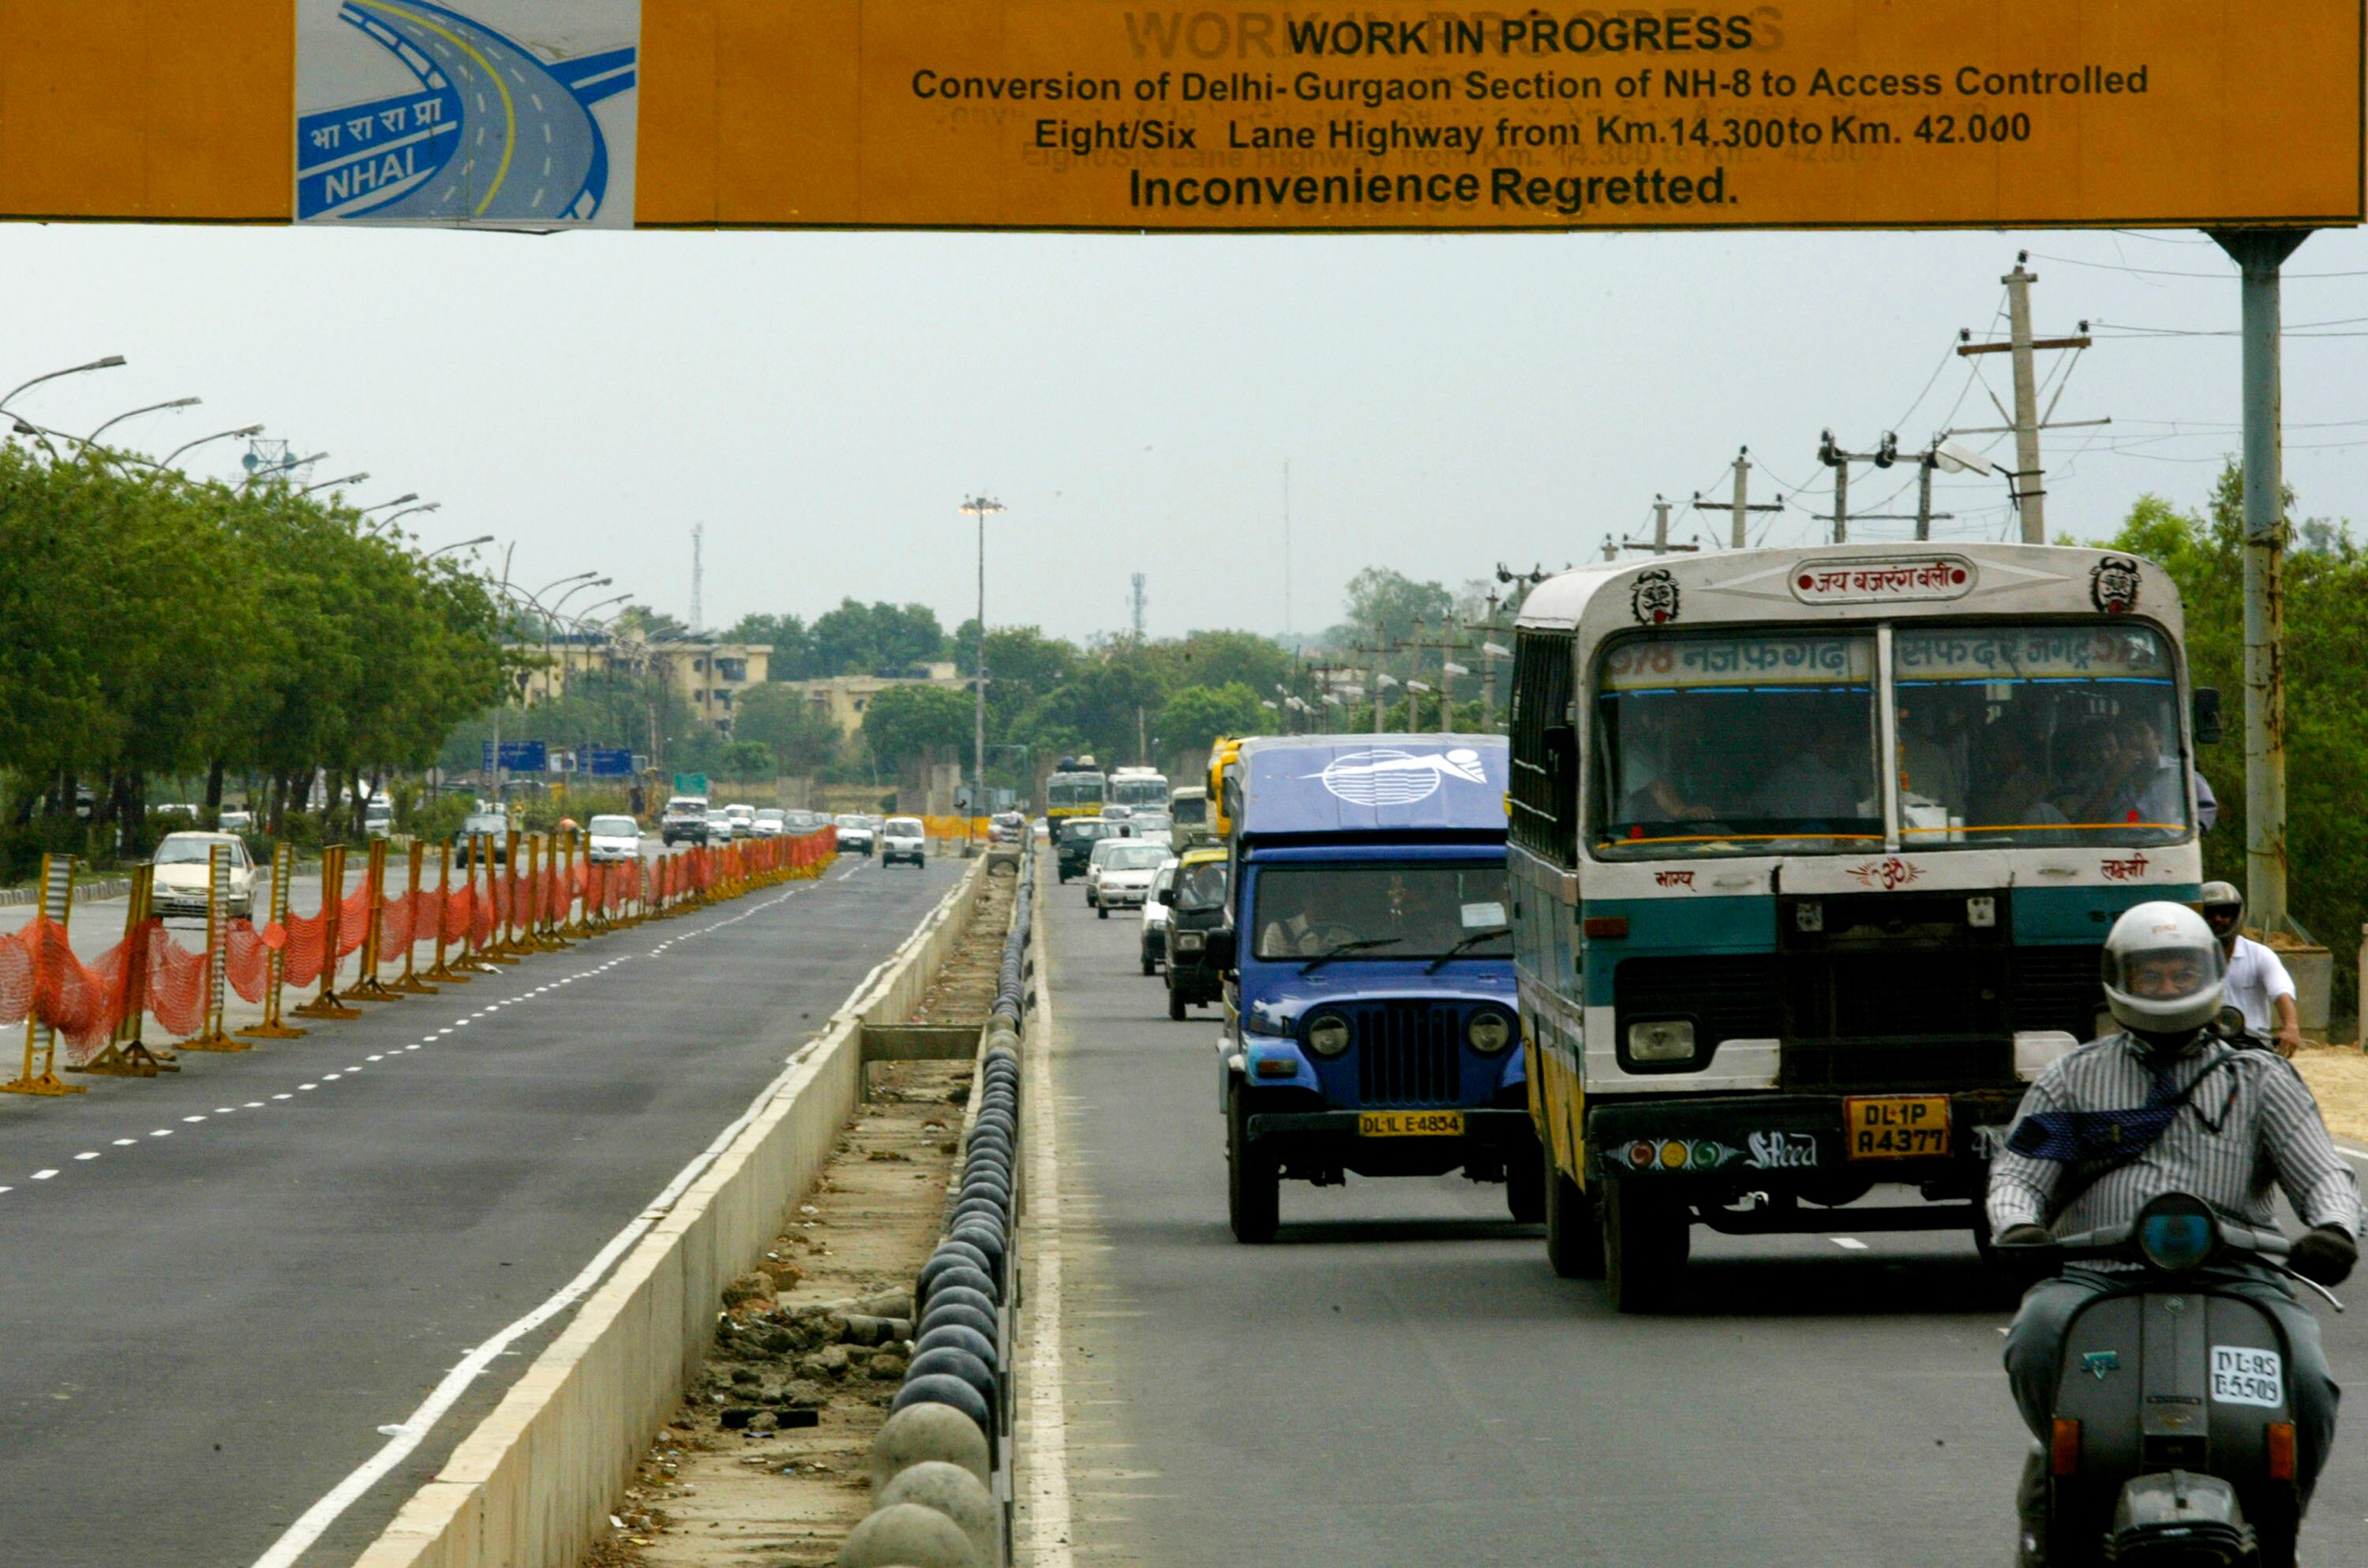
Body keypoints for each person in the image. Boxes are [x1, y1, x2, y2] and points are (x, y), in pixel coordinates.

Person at [1988, 902, 2359, 1563]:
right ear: (2119, 978)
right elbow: (2019, 1171)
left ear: (2211, 974)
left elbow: (2324, 1172)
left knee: (2306, 1379)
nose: (2167, 986)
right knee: (2035, 1336)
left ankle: (2280, 1526)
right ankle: (2058, 1470)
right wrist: (2017, 1225)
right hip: (2096, 1277)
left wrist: (2334, 1227)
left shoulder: (2260, 1077)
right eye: (2151, 974)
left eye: (2182, 973)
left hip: (2240, 1278)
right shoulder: (2073, 1077)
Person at [2200, 880, 2304, 1056]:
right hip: (2204, 1046)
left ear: (2237, 915)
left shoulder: (2260, 954)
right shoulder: (2191, 960)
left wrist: (2291, 1027)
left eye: (2225, 913)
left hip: (2253, 1046)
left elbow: (2281, 991)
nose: (2218, 919)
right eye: (2210, 914)